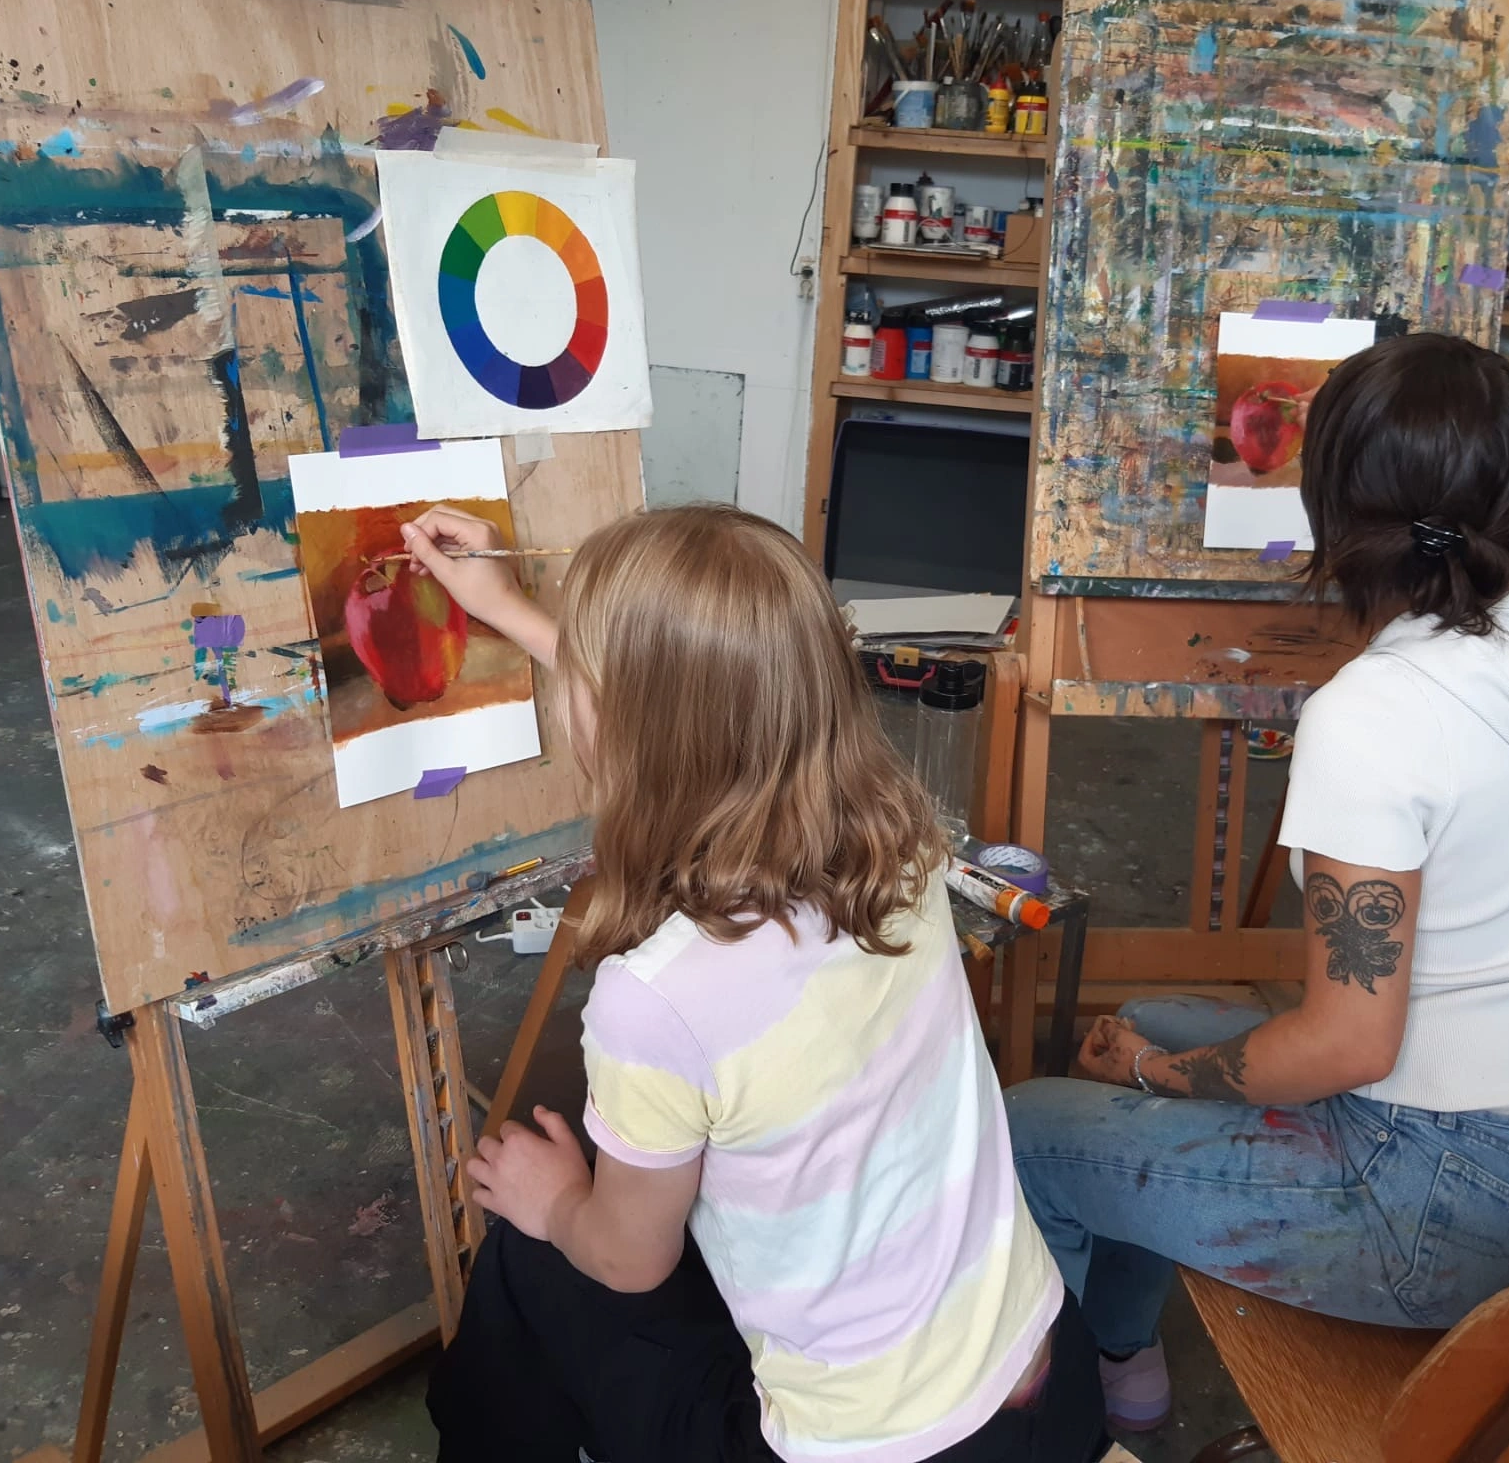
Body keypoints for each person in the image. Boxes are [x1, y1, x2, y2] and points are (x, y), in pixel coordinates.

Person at [1003, 333, 1509, 1431]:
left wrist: (1160, 1073)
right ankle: (1127, 1360)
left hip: (1433, 1198)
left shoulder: (1376, 715)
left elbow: (1348, 1044)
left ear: (1331, 501)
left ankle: (1053, 1430)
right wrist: (1159, 1053)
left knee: (1033, 1126)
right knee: (1146, 1018)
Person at [403, 504, 1105, 1463]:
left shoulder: (659, 998)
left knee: (531, 1256)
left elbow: (629, 1260)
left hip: (881, 1452)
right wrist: (508, 608)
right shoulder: (904, 843)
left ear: (618, 726)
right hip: (1050, 1384)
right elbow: (714, 704)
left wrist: (557, 1200)